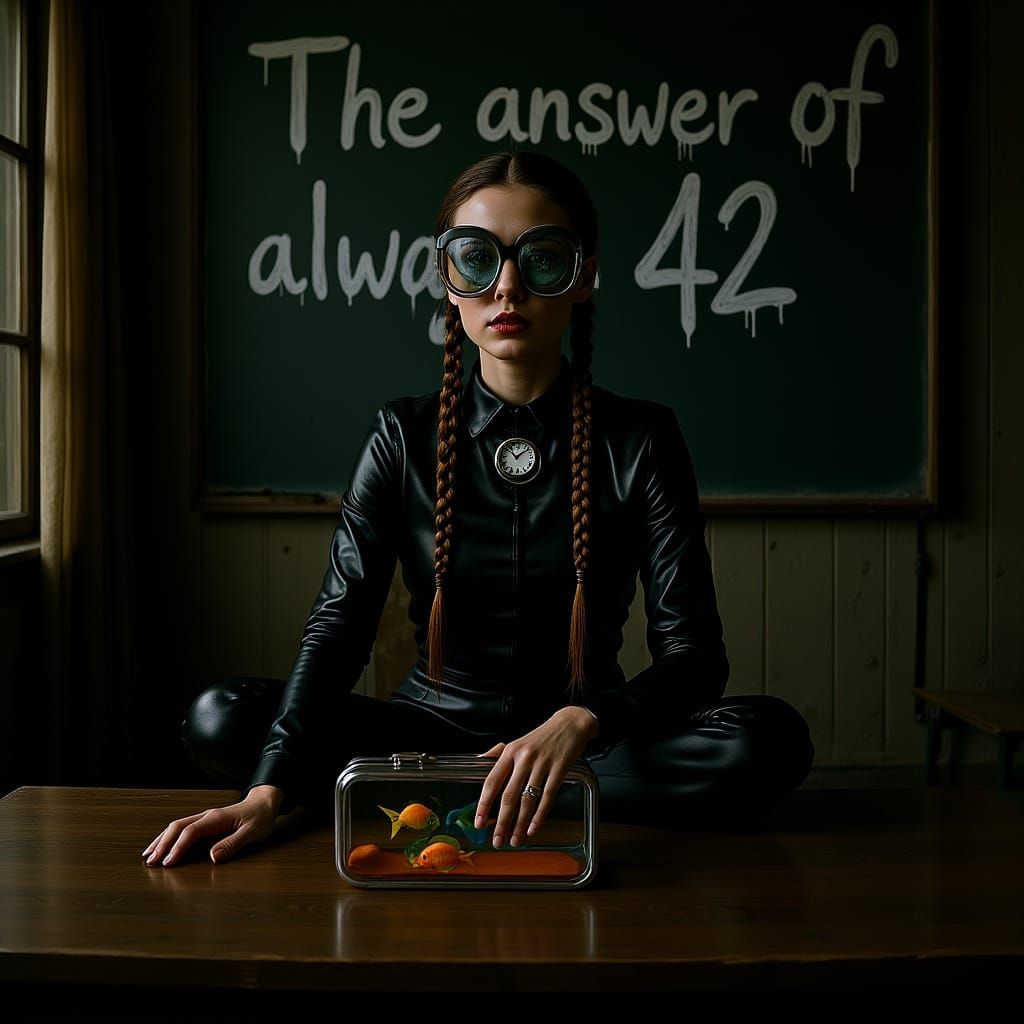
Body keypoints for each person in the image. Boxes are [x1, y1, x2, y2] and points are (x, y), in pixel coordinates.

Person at [144, 151, 814, 869]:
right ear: (447, 277)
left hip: (587, 742)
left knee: (766, 739)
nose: (508, 286)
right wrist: (266, 793)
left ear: (584, 275)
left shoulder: (641, 438)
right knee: (219, 716)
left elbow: (694, 656)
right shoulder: (402, 434)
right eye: (476, 258)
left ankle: (489, 788)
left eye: (542, 258)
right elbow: (340, 625)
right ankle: (519, 794)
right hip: (422, 733)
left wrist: (582, 721)